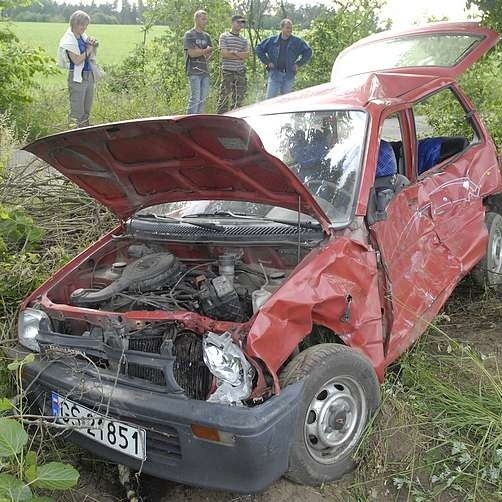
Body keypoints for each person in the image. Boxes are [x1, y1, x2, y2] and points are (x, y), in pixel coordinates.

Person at [57, 10, 99, 128]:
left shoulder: (82, 37)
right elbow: (76, 60)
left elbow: (89, 55)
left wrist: (93, 44)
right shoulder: (68, 40)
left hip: (88, 75)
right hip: (77, 78)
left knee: (86, 110)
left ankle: (85, 135)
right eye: (82, 25)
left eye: (86, 25)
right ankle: (74, 136)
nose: (85, 27)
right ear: (75, 23)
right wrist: (89, 49)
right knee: (77, 112)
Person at [256, 19, 312, 99]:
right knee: (269, 100)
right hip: (275, 74)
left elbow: (308, 51)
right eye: (287, 28)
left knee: (286, 101)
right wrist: (267, 62)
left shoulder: (297, 42)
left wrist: (298, 64)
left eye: (291, 28)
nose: (290, 30)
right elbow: (259, 48)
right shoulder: (272, 41)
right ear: (282, 28)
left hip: (289, 76)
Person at [216, 15, 250, 114]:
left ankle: (235, 118)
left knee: (238, 98)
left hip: (240, 72)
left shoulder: (244, 40)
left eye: (242, 23)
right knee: (224, 97)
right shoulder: (224, 36)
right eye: (238, 22)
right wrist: (239, 55)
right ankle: (219, 119)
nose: (240, 24)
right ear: (232, 22)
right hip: (227, 71)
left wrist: (234, 53)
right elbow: (225, 54)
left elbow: (247, 54)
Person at [183, 10, 213, 114]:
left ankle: (199, 122)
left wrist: (201, 52)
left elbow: (209, 55)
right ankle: (190, 122)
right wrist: (204, 51)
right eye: (203, 19)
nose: (205, 21)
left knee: (203, 99)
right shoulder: (189, 34)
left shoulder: (207, 36)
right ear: (196, 19)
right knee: (195, 98)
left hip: (205, 71)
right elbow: (191, 53)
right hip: (194, 71)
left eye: (206, 19)